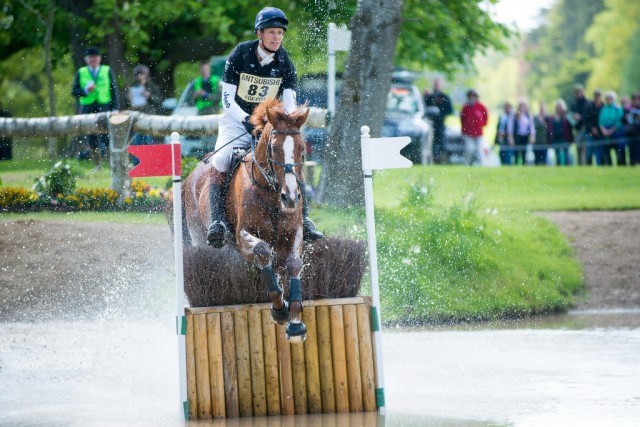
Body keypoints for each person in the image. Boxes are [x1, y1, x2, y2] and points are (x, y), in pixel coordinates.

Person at [206, 7, 323, 248]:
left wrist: (285, 123)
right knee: (221, 159)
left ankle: (306, 219)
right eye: (272, 32)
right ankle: (217, 222)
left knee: (290, 162)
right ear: (260, 33)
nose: (276, 38)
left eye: (280, 33)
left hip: (269, 125)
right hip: (235, 120)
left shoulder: (285, 62)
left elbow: (289, 101)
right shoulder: (240, 54)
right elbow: (227, 99)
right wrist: (246, 121)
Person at [71, 46, 120, 170]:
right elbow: (75, 92)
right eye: (90, 58)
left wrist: (115, 108)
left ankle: (111, 163)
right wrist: (85, 90)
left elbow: (114, 90)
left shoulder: (106, 70)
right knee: (91, 136)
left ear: (99, 59)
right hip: (88, 107)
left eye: (95, 57)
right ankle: (97, 165)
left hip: (105, 106)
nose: (93, 60)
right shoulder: (81, 72)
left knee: (108, 135)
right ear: (86, 60)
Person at [125, 64, 162, 145]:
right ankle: (136, 158)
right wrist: (128, 99)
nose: (140, 77)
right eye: (138, 75)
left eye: (142, 74)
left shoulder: (151, 85)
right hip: (136, 115)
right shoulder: (132, 86)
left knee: (148, 139)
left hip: (148, 114)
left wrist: (149, 96)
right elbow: (127, 104)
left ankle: (149, 157)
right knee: (136, 140)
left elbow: (159, 100)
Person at [424, 77, 453, 164]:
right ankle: (431, 159)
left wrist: (440, 114)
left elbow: (450, 110)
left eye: (438, 84)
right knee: (430, 142)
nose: (436, 86)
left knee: (441, 142)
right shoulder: (429, 97)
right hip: (430, 123)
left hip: (440, 124)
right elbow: (424, 107)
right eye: (436, 84)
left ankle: (441, 159)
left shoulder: (445, 97)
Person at [460, 89, 488, 166]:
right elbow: (462, 119)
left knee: (479, 150)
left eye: (473, 96)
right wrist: (463, 130)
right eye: (470, 96)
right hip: (468, 133)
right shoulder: (465, 107)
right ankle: (467, 164)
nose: (472, 98)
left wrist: (481, 124)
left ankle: (481, 165)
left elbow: (485, 117)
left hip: (478, 133)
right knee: (469, 149)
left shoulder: (481, 107)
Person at [599, 90, 625, 166]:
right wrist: (604, 130)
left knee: (618, 150)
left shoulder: (617, 108)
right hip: (605, 132)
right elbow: (600, 121)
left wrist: (611, 130)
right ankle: (609, 165)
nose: (609, 99)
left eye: (610, 98)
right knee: (607, 150)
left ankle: (620, 165)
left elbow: (619, 120)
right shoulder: (603, 109)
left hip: (616, 132)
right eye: (608, 98)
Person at [546, 99, 574, 166]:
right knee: (558, 157)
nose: (559, 108)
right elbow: (549, 128)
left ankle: (567, 171)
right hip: (555, 139)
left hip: (565, 139)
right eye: (557, 106)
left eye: (560, 106)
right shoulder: (552, 117)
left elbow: (572, 125)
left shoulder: (566, 116)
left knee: (566, 156)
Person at [507, 100, 536, 165]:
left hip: (525, 137)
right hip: (517, 137)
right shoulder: (514, 115)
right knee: (516, 154)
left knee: (524, 153)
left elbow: (532, 128)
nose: (522, 108)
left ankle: (524, 166)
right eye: (521, 106)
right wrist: (511, 138)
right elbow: (510, 128)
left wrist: (532, 136)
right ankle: (516, 166)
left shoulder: (528, 116)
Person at [570, 84, 590, 165]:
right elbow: (571, 115)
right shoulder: (574, 104)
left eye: (579, 92)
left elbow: (588, 116)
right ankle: (580, 166)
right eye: (576, 92)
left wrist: (580, 117)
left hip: (585, 129)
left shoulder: (587, 103)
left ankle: (585, 165)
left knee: (584, 150)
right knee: (578, 149)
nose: (578, 94)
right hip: (577, 129)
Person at [584, 89, 604, 165]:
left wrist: (598, 129)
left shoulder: (603, 107)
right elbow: (586, 119)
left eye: (598, 96)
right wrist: (592, 128)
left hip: (600, 132)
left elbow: (604, 120)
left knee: (601, 151)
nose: (597, 97)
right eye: (596, 96)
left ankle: (602, 165)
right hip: (590, 132)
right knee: (589, 151)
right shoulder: (589, 107)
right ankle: (589, 166)